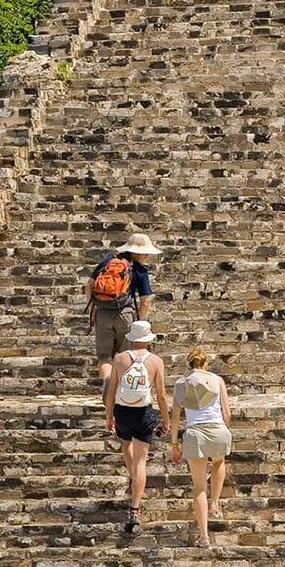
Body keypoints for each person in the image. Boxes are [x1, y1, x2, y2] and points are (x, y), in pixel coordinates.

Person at [105, 320, 170, 533]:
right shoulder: (156, 362)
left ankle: (132, 478)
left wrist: (109, 417)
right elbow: (161, 394)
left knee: (126, 445)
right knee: (141, 460)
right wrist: (166, 420)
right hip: (144, 412)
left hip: (123, 411)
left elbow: (111, 390)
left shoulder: (120, 359)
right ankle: (135, 508)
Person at [85, 233, 161, 401]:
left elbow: (89, 285)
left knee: (104, 357)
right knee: (126, 356)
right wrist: (140, 321)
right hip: (125, 315)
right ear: (140, 253)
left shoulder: (108, 261)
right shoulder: (139, 270)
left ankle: (107, 380)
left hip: (103, 313)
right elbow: (145, 300)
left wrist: (92, 309)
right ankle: (119, 391)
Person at [170, 348, 232, 548]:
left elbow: (176, 416)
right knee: (218, 461)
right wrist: (225, 429)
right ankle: (215, 502)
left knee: (198, 487)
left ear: (189, 364)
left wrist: (174, 444)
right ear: (206, 364)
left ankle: (204, 536)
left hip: (195, 432)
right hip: (217, 428)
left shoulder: (181, 383)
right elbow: (226, 411)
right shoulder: (217, 380)